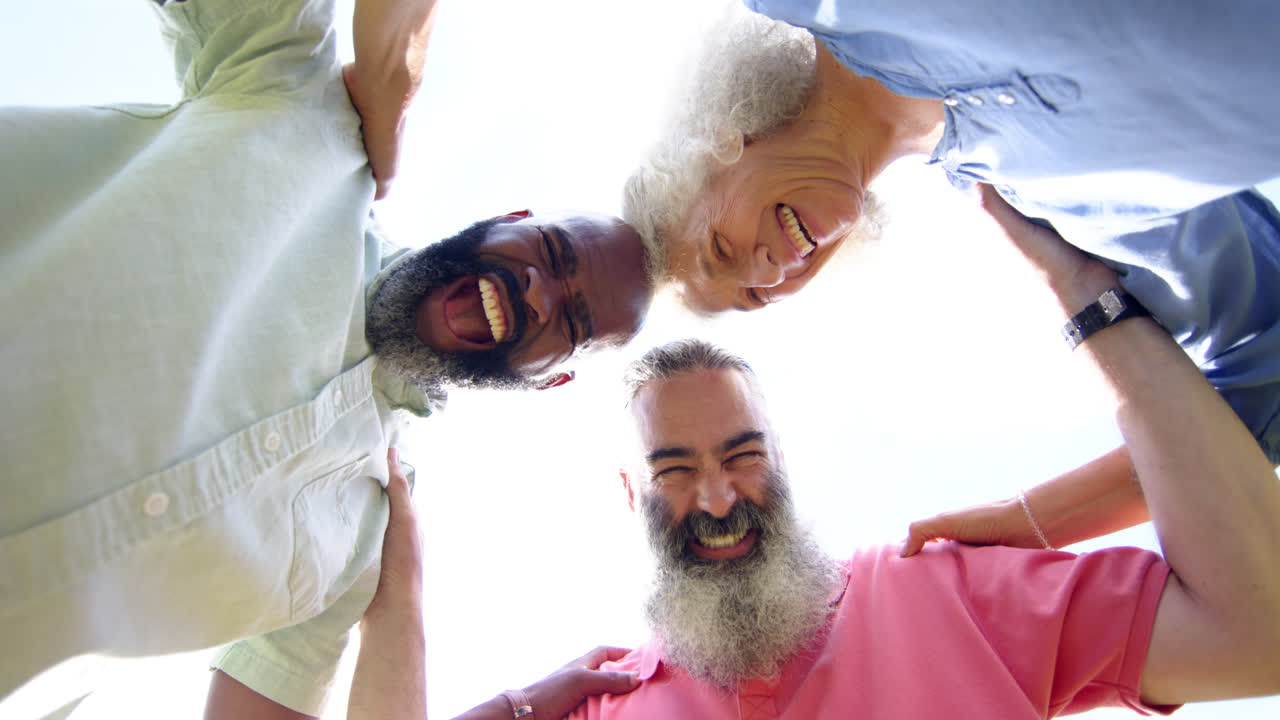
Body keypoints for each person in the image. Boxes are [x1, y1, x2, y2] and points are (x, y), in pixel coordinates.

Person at [0, 0, 654, 716]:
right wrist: (394, 56)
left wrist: (439, 643)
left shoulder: (361, 552)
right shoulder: (299, 112)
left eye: (572, 322)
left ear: (548, 380)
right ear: (510, 219)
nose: (535, 291)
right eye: (552, 253)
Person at [622, 0, 1280, 550]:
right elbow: (1262, 382)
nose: (768, 272)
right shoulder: (1047, 212)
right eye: (755, 296)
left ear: (720, 142)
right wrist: (1027, 521)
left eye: (720, 247)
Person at [568, 316, 1280, 715]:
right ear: (632, 492)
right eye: (675, 471)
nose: (719, 500)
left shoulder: (947, 590)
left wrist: (1093, 303)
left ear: (781, 460)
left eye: (743, 456)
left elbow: (1258, 638)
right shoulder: (598, 704)